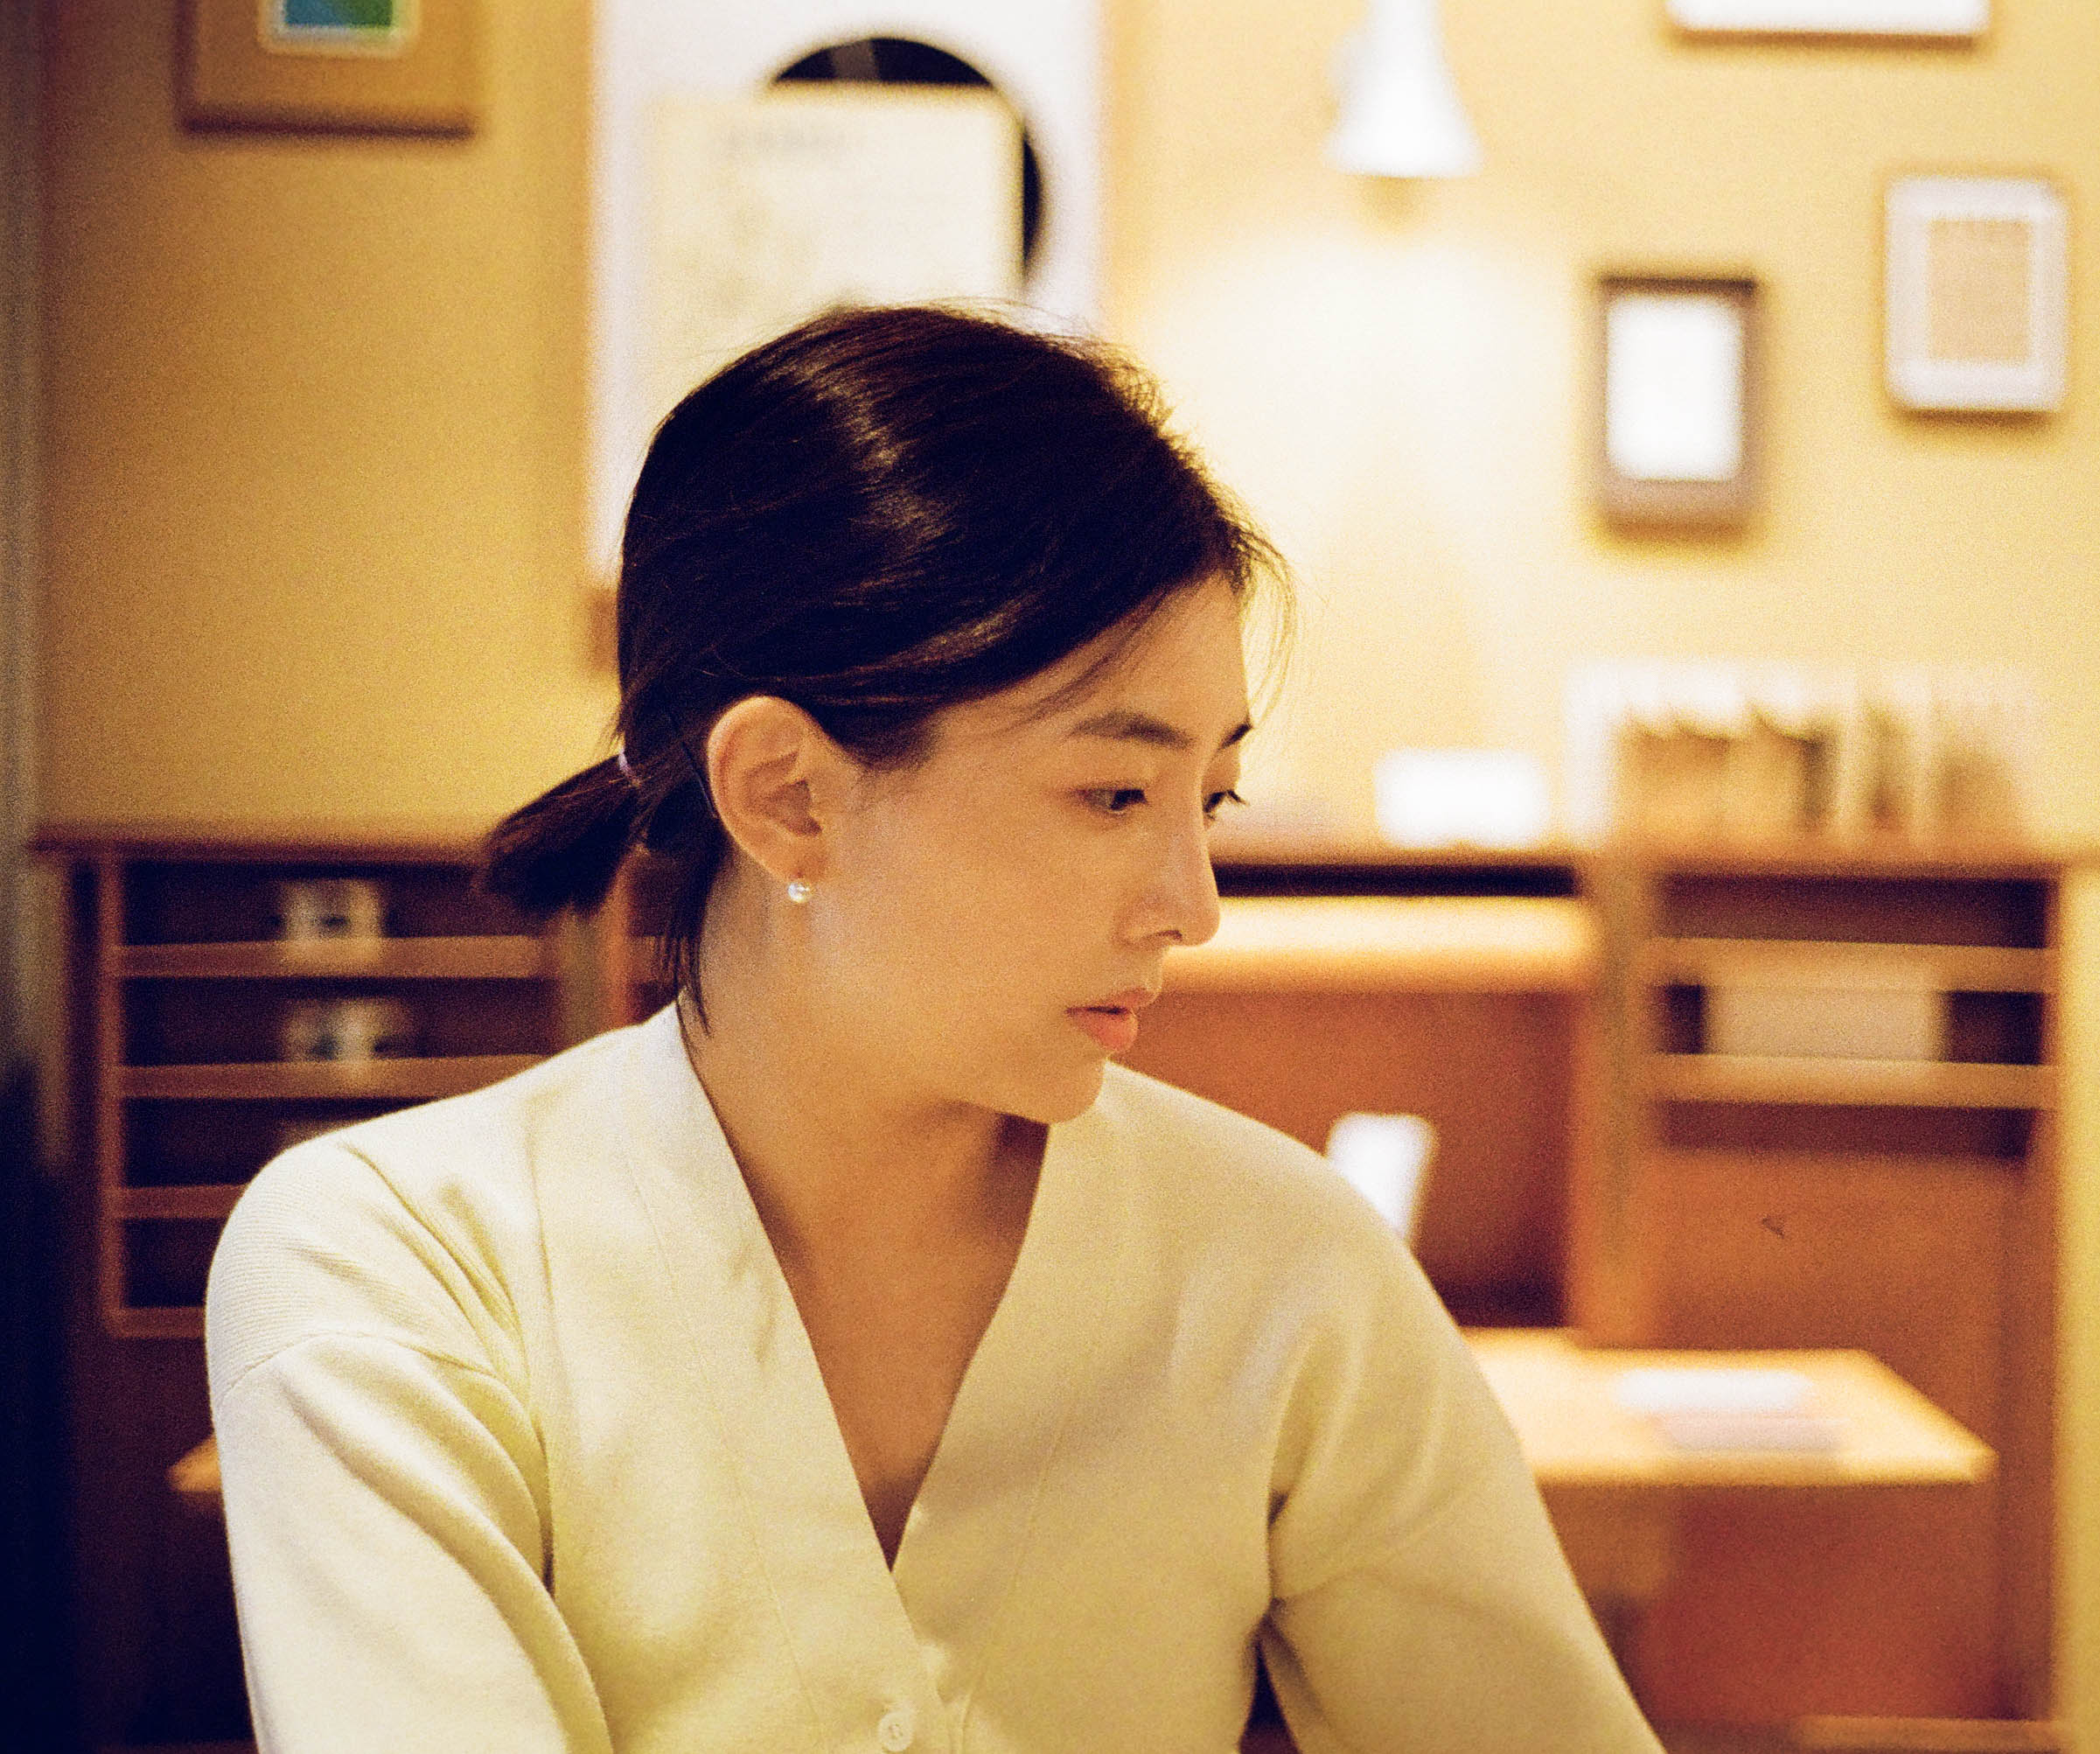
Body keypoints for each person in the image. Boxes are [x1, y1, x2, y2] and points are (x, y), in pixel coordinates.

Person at [205, 304, 1662, 1754]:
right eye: (1114, 794)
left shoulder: (1289, 1268)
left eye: (1209, 800)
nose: (1193, 905)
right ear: (787, 795)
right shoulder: (397, 1265)